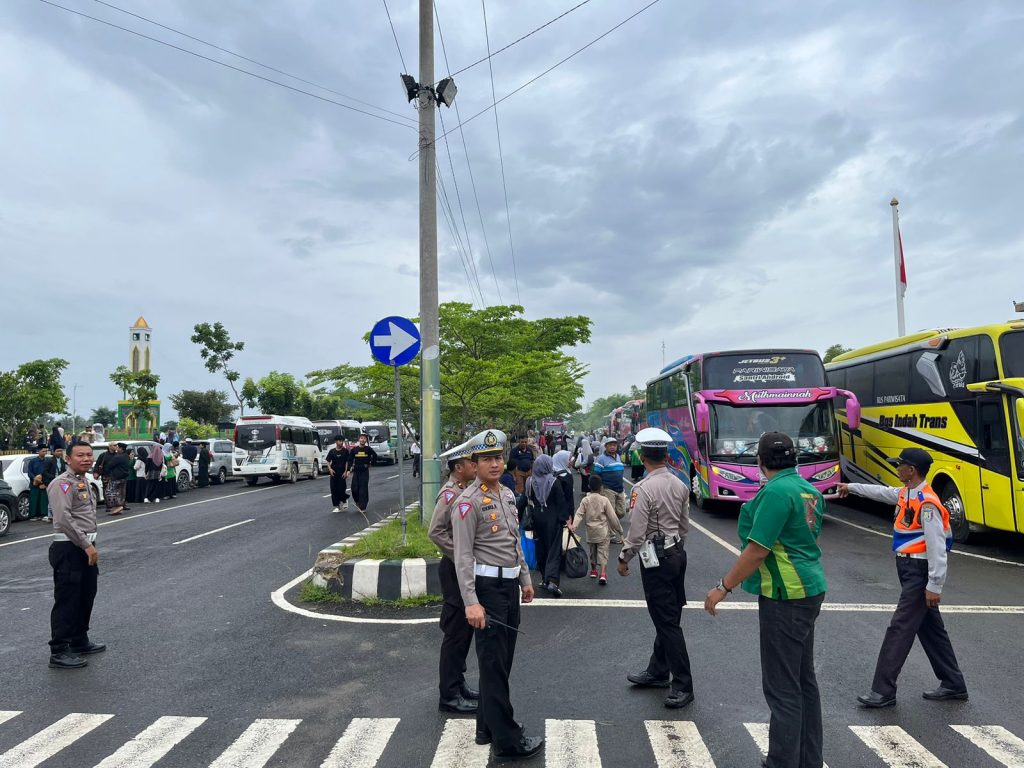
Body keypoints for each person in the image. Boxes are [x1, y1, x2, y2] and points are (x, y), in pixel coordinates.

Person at [704, 432, 827, 768]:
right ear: (795, 459)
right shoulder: (809, 490)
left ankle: (781, 762)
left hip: (785, 595)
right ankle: (807, 759)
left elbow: (757, 549)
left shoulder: (775, 492)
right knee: (803, 681)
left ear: (759, 461)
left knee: (782, 688)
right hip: (810, 588)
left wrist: (723, 587)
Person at [836, 447, 967, 708]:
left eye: (900, 465)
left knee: (900, 629)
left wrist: (934, 584)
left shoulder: (927, 503)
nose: (897, 469)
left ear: (912, 470)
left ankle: (883, 690)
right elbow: (881, 492)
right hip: (908, 569)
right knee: (931, 630)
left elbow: (937, 548)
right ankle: (953, 683)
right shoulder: (907, 493)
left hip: (919, 572)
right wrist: (851, 488)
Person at [452, 429, 543, 762]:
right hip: (486, 591)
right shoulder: (467, 502)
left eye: (497, 457)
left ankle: (485, 727)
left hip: (509, 588)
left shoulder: (505, 494)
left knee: (500, 663)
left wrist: (525, 578)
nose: (494, 463)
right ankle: (508, 740)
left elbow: (513, 541)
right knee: (492, 664)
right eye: (487, 459)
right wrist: (471, 602)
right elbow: (462, 557)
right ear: (473, 463)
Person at [617, 427, 693, 709]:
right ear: (665, 455)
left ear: (641, 455)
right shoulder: (680, 484)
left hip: (657, 558)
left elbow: (636, 531)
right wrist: (676, 546)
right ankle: (659, 670)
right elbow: (685, 525)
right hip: (676, 553)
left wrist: (625, 557)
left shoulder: (643, 488)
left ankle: (683, 684)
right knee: (669, 615)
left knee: (667, 622)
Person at [428, 439, 480, 715]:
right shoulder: (449, 494)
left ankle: (458, 685)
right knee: (455, 633)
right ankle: (448, 695)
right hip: (452, 568)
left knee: (464, 632)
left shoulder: (464, 489)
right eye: (471, 463)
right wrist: (461, 555)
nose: (475, 466)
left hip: (459, 566)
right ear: (459, 468)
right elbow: (435, 532)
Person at [47, 441, 105, 669]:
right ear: (67, 458)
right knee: (68, 599)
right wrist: (86, 545)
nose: (86, 459)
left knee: (86, 594)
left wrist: (89, 545)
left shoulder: (83, 481)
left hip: (85, 546)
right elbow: (62, 520)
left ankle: (79, 640)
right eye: (80, 455)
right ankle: (59, 650)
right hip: (69, 549)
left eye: (89, 455)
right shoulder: (61, 484)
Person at [526, 454, 568, 597]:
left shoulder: (530, 482)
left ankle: (544, 579)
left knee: (541, 549)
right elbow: (561, 502)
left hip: (537, 519)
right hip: (553, 519)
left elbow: (527, 501)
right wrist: (564, 519)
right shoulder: (554, 482)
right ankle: (552, 581)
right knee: (554, 550)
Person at [569, 475, 623, 584]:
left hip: (590, 531)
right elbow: (613, 517)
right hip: (602, 531)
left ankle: (593, 571)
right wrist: (620, 531)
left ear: (589, 486)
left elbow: (579, 514)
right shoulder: (604, 500)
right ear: (601, 487)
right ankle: (603, 573)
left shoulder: (586, 500)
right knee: (603, 552)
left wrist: (574, 526)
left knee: (592, 552)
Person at [593, 437, 627, 520]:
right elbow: (596, 474)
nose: (612, 447)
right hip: (608, 489)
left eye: (614, 445)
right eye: (610, 445)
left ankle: (611, 521)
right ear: (606, 446)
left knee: (622, 512)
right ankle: (610, 529)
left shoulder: (618, 456)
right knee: (610, 512)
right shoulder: (601, 458)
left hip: (620, 488)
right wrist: (597, 489)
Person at [347, 434, 377, 513]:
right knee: (354, 488)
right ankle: (358, 502)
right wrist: (348, 470)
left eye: (364, 439)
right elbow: (350, 460)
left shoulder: (368, 449)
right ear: (359, 439)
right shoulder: (354, 450)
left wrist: (371, 463)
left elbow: (375, 455)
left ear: (366, 440)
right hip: (356, 471)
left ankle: (363, 506)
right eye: (361, 438)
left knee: (363, 489)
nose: (363, 440)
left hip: (364, 471)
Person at [326, 435, 352, 512]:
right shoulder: (332, 451)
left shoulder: (345, 451)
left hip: (342, 472)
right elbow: (327, 460)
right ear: (336, 441)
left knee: (341, 489)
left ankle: (344, 500)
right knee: (333, 489)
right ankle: (337, 506)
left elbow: (347, 461)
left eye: (342, 441)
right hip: (334, 472)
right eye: (340, 441)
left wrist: (346, 471)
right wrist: (330, 469)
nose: (341, 442)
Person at [103, 443, 130, 516]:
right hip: (124, 477)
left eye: (118, 448)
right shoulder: (126, 456)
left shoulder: (117, 457)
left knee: (110, 492)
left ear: (121, 449)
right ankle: (119, 507)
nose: (116, 449)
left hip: (116, 477)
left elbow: (109, 466)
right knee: (120, 493)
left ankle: (117, 507)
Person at [27, 445, 50, 521]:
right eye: (43, 451)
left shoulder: (47, 461)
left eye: (46, 451)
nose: (45, 453)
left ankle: (43, 514)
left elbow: (49, 472)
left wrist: (45, 482)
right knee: (34, 499)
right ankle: (33, 515)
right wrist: (35, 478)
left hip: (44, 483)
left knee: (43, 500)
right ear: (39, 451)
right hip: (34, 483)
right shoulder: (33, 461)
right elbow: (29, 472)